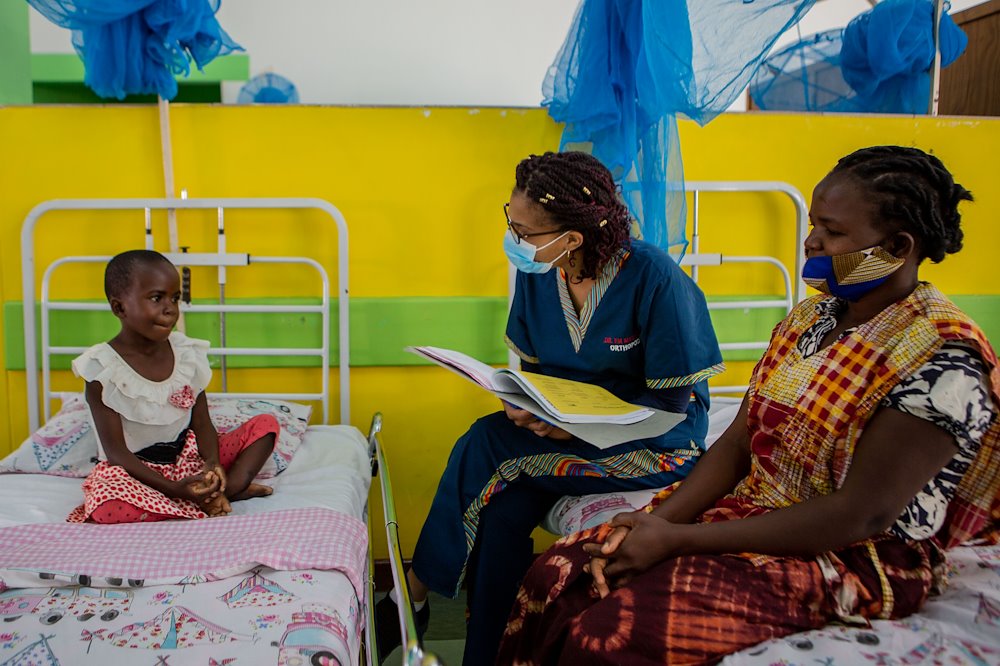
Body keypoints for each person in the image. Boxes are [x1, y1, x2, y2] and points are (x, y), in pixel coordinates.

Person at [496, 145, 1000, 665]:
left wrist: (676, 542)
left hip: (847, 554)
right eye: (812, 222)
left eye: (832, 230)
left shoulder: (941, 358)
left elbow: (862, 514)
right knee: (556, 575)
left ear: (897, 246)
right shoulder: (811, 320)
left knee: (610, 633)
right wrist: (658, 523)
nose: (811, 240)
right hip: (751, 509)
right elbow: (738, 442)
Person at [376, 151, 724, 663]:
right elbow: (538, 374)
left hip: (658, 443)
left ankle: (412, 593)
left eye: (524, 231)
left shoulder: (656, 280)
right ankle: (489, 654)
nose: (513, 239)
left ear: (573, 237)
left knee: (486, 440)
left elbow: (672, 405)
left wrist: (574, 425)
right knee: (502, 512)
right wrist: (530, 406)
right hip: (572, 431)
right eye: (510, 223)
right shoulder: (542, 272)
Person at [67, 249, 281, 524]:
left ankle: (229, 487)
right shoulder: (102, 369)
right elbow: (117, 453)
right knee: (106, 507)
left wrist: (213, 465)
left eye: (175, 298)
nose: (170, 308)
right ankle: (201, 498)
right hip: (137, 473)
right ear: (119, 307)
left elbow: (202, 425)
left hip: (189, 459)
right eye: (157, 298)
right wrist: (173, 487)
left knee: (265, 425)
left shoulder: (186, 355)